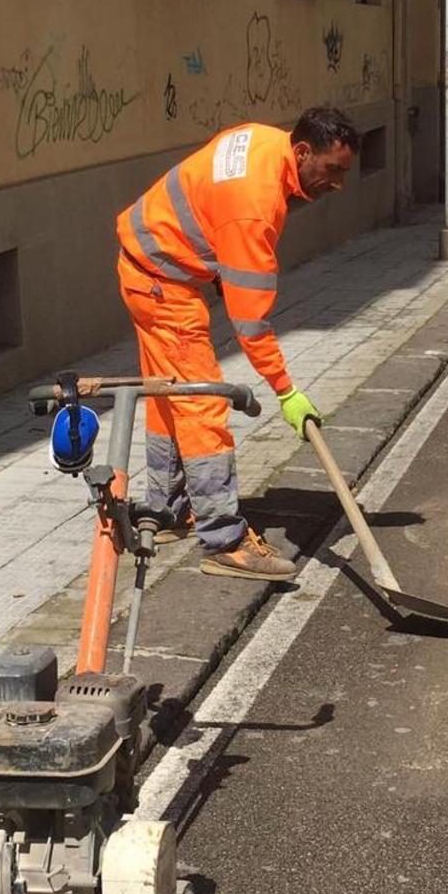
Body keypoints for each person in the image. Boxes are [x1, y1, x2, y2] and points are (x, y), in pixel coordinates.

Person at [117, 108, 358, 580]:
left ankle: (166, 512)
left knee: (168, 396)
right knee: (202, 403)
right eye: (332, 170)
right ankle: (224, 540)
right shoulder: (256, 204)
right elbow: (250, 322)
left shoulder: (267, 140)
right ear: (303, 151)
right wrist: (286, 391)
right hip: (164, 282)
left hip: (149, 267)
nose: (338, 184)